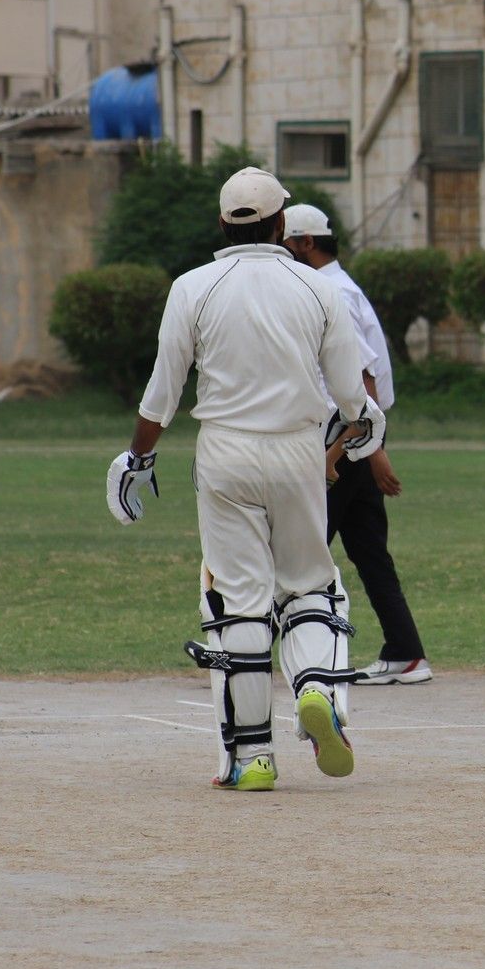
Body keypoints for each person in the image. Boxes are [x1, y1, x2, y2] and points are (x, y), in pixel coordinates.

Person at [107, 167, 386, 791]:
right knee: (310, 584)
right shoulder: (317, 288)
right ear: (281, 223)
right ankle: (315, 690)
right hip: (297, 452)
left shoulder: (191, 287)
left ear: (221, 223)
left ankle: (251, 757)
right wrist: (367, 426)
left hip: (224, 454)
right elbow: (351, 396)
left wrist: (136, 459)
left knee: (238, 599)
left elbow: (161, 395)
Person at [282, 204, 434, 686]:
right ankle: (405, 653)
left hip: (344, 441)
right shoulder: (334, 286)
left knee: (298, 551)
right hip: (356, 439)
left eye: (285, 244)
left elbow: (362, 379)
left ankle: (249, 652)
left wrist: (366, 450)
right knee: (369, 552)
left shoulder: (330, 292)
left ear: (306, 243)